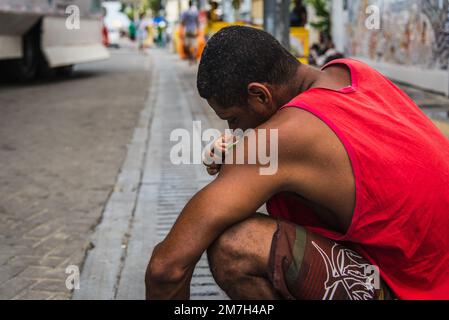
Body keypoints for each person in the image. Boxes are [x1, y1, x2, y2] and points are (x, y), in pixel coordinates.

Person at [145, 26, 449, 299]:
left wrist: (249, 158)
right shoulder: (351, 72)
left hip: (414, 289)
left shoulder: (282, 139)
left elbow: (166, 269)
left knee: (235, 245)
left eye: (234, 119)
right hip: (431, 272)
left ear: (260, 95)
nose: (233, 131)